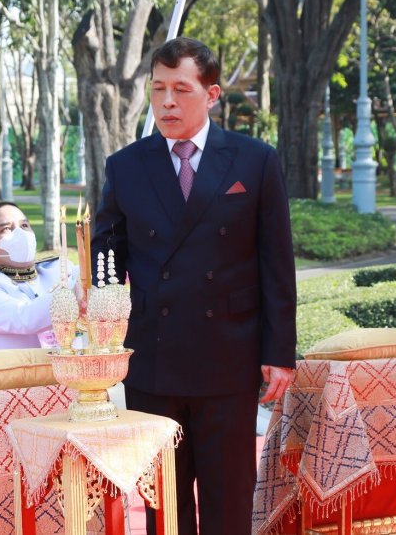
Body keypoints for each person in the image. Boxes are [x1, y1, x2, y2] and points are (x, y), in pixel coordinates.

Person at [90, 37, 297, 535]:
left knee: (229, 499)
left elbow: (276, 262)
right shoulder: (126, 165)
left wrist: (280, 351)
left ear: (212, 94)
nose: (166, 102)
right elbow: (106, 257)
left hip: (230, 353)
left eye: (181, 89)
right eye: (157, 88)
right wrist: (99, 322)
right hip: (153, 358)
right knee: (165, 501)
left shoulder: (254, 160)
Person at [0, 201, 78, 350]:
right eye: (6, 229)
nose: (21, 233)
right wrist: (74, 292)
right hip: (16, 372)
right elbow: (24, 319)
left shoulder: (58, 267)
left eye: (24, 226)